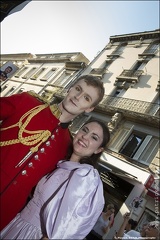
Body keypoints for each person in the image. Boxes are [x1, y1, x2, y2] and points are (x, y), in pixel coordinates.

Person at [0, 75, 105, 230]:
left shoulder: (68, 146)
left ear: (89, 108)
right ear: (69, 88)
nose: (77, 97)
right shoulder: (28, 102)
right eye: (77, 89)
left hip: (7, 212)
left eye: (86, 98)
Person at [0, 119, 110, 239]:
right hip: (18, 225)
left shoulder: (86, 176)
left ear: (99, 150)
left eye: (94, 138)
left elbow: (67, 225)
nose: (85, 137)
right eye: (85, 130)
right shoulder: (62, 165)